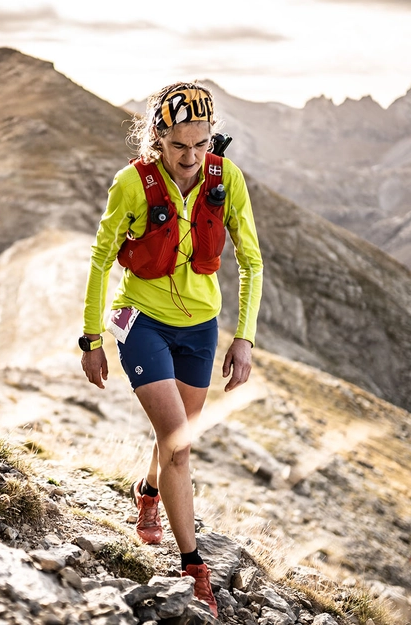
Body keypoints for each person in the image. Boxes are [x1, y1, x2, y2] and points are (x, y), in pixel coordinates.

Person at [79, 82, 263, 617]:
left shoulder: (225, 178)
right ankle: (193, 565)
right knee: (180, 443)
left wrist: (244, 337)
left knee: (175, 434)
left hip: (201, 327)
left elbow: (251, 261)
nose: (190, 158)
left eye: (201, 144)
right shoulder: (131, 184)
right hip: (141, 321)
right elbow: (100, 260)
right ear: (157, 137)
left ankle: (147, 490)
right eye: (179, 145)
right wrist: (91, 338)